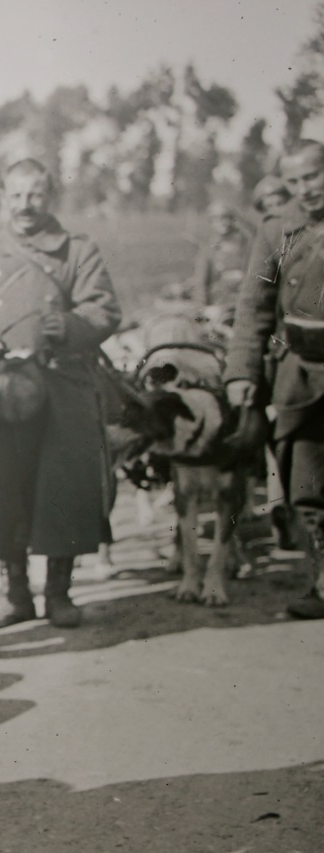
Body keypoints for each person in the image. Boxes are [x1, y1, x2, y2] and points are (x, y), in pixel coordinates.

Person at [0, 158, 122, 630]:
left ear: (50, 199)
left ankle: (59, 594)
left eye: (36, 195)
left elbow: (105, 308)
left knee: (61, 489)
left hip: (60, 384)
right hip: (1, 388)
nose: (26, 205)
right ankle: (15, 595)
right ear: (2, 199)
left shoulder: (77, 250)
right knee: (3, 489)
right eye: (17, 195)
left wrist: (69, 324)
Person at [226, 139, 324, 619]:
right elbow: (253, 306)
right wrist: (242, 372)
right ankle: (323, 583)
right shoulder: (277, 230)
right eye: (296, 181)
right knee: (305, 481)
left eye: (315, 176)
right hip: (300, 374)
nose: (307, 189)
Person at [188, 200, 250, 327]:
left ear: (233, 220)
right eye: (216, 219)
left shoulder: (246, 245)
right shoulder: (208, 250)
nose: (222, 223)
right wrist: (203, 309)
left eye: (225, 218)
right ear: (211, 223)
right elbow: (200, 283)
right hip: (218, 307)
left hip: (244, 304)